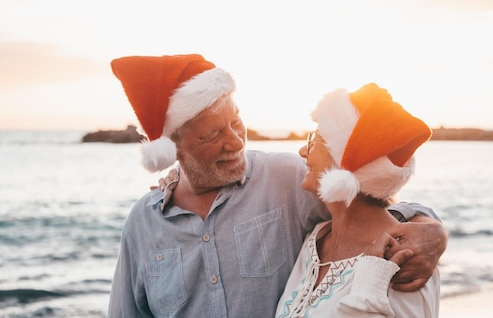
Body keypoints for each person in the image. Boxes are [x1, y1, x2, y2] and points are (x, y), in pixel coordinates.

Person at [107, 54, 447, 318]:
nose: (236, 142)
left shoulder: (288, 179)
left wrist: (429, 229)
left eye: (236, 122)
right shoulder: (143, 224)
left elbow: (364, 196)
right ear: (174, 147)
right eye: (212, 135)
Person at [275, 83, 439, 317]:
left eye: (315, 140)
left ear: (343, 163)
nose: (303, 151)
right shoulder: (317, 238)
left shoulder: (402, 259)